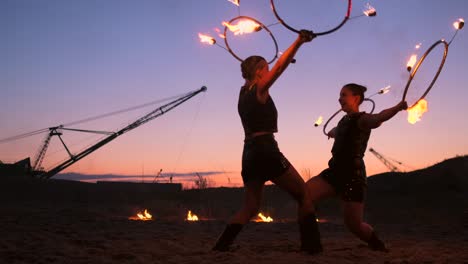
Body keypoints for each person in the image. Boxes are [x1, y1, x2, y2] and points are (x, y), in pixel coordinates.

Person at [212, 30, 322, 254]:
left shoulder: (242, 92)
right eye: (266, 68)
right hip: (266, 150)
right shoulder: (259, 90)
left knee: (251, 207)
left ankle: (221, 246)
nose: (270, 70)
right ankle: (312, 248)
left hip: (249, 153)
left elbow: (279, 66)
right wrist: (299, 41)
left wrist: (288, 59)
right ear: (259, 72)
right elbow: (280, 67)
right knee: (304, 194)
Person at [306, 83, 408, 252]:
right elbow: (339, 130)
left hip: (353, 176)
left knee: (354, 225)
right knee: (305, 194)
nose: (340, 98)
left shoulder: (363, 119)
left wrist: (397, 108)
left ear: (356, 98)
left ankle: (377, 244)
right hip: (334, 172)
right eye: (339, 95)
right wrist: (332, 132)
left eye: (344, 94)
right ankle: (311, 245)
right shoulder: (344, 120)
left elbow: (379, 117)